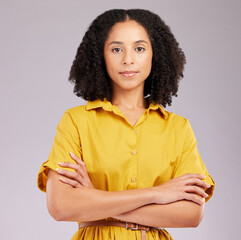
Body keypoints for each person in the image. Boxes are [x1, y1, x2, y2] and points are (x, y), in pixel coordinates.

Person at [37, 9, 215, 240]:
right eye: (116, 49)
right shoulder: (76, 121)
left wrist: (96, 200)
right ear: (100, 55)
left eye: (139, 48)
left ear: (155, 54)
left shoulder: (178, 129)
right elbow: (61, 206)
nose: (128, 59)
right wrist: (157, 194)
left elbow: (191, 214)